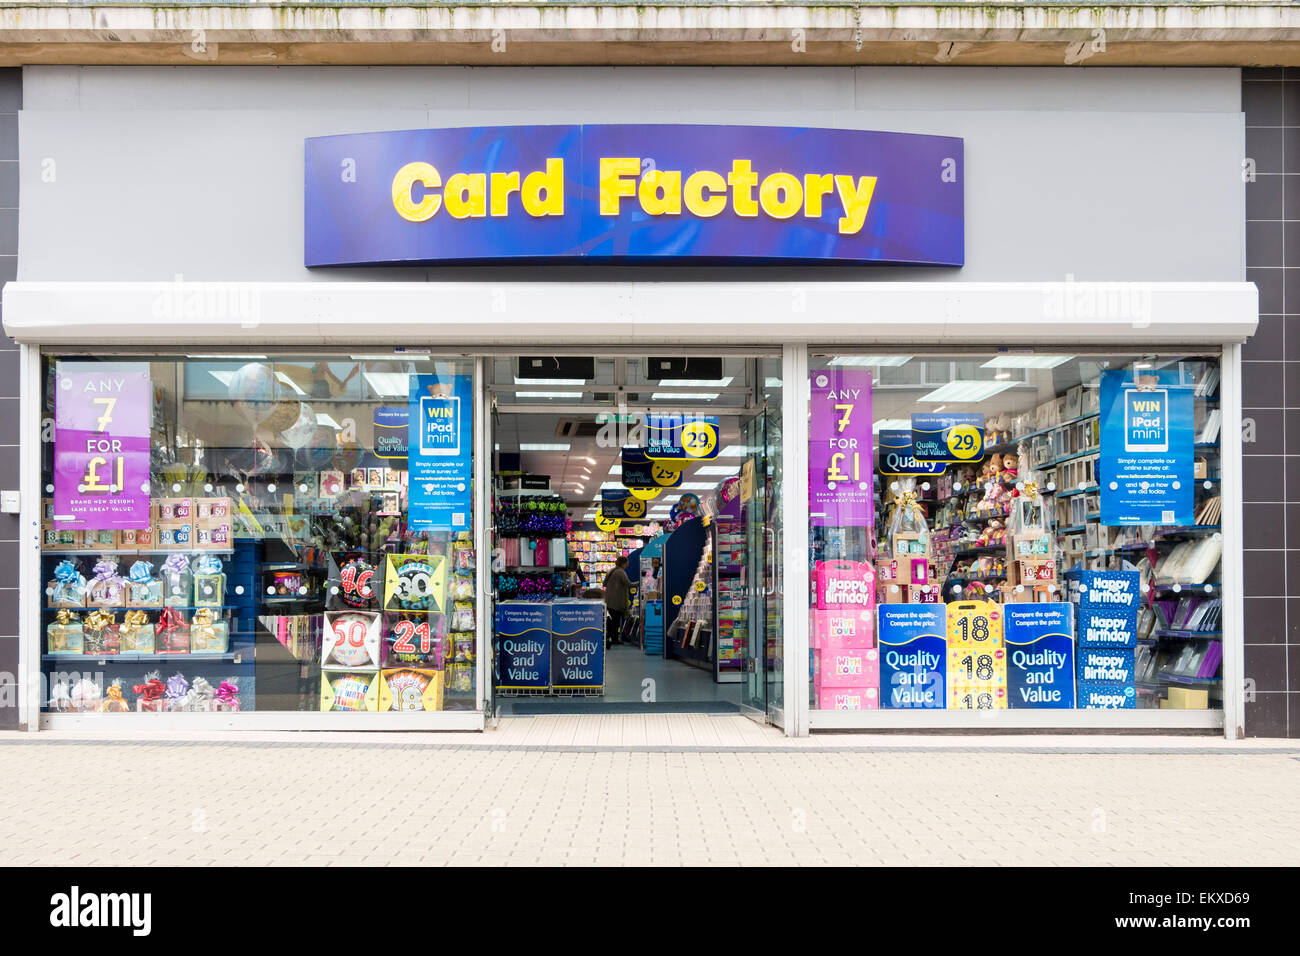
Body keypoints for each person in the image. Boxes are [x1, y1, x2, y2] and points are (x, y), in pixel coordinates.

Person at [602, 555, 633, 649]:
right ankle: (615, 639)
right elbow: (629, 584)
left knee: (611, 621)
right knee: (615, 620)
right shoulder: (620, 572)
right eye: (627, 563)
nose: (627, 565)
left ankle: (611, 638)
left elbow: (604, 583)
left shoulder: (611, 570)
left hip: (609, 599)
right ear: (623, 563)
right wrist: (640, 582)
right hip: (617, 600)